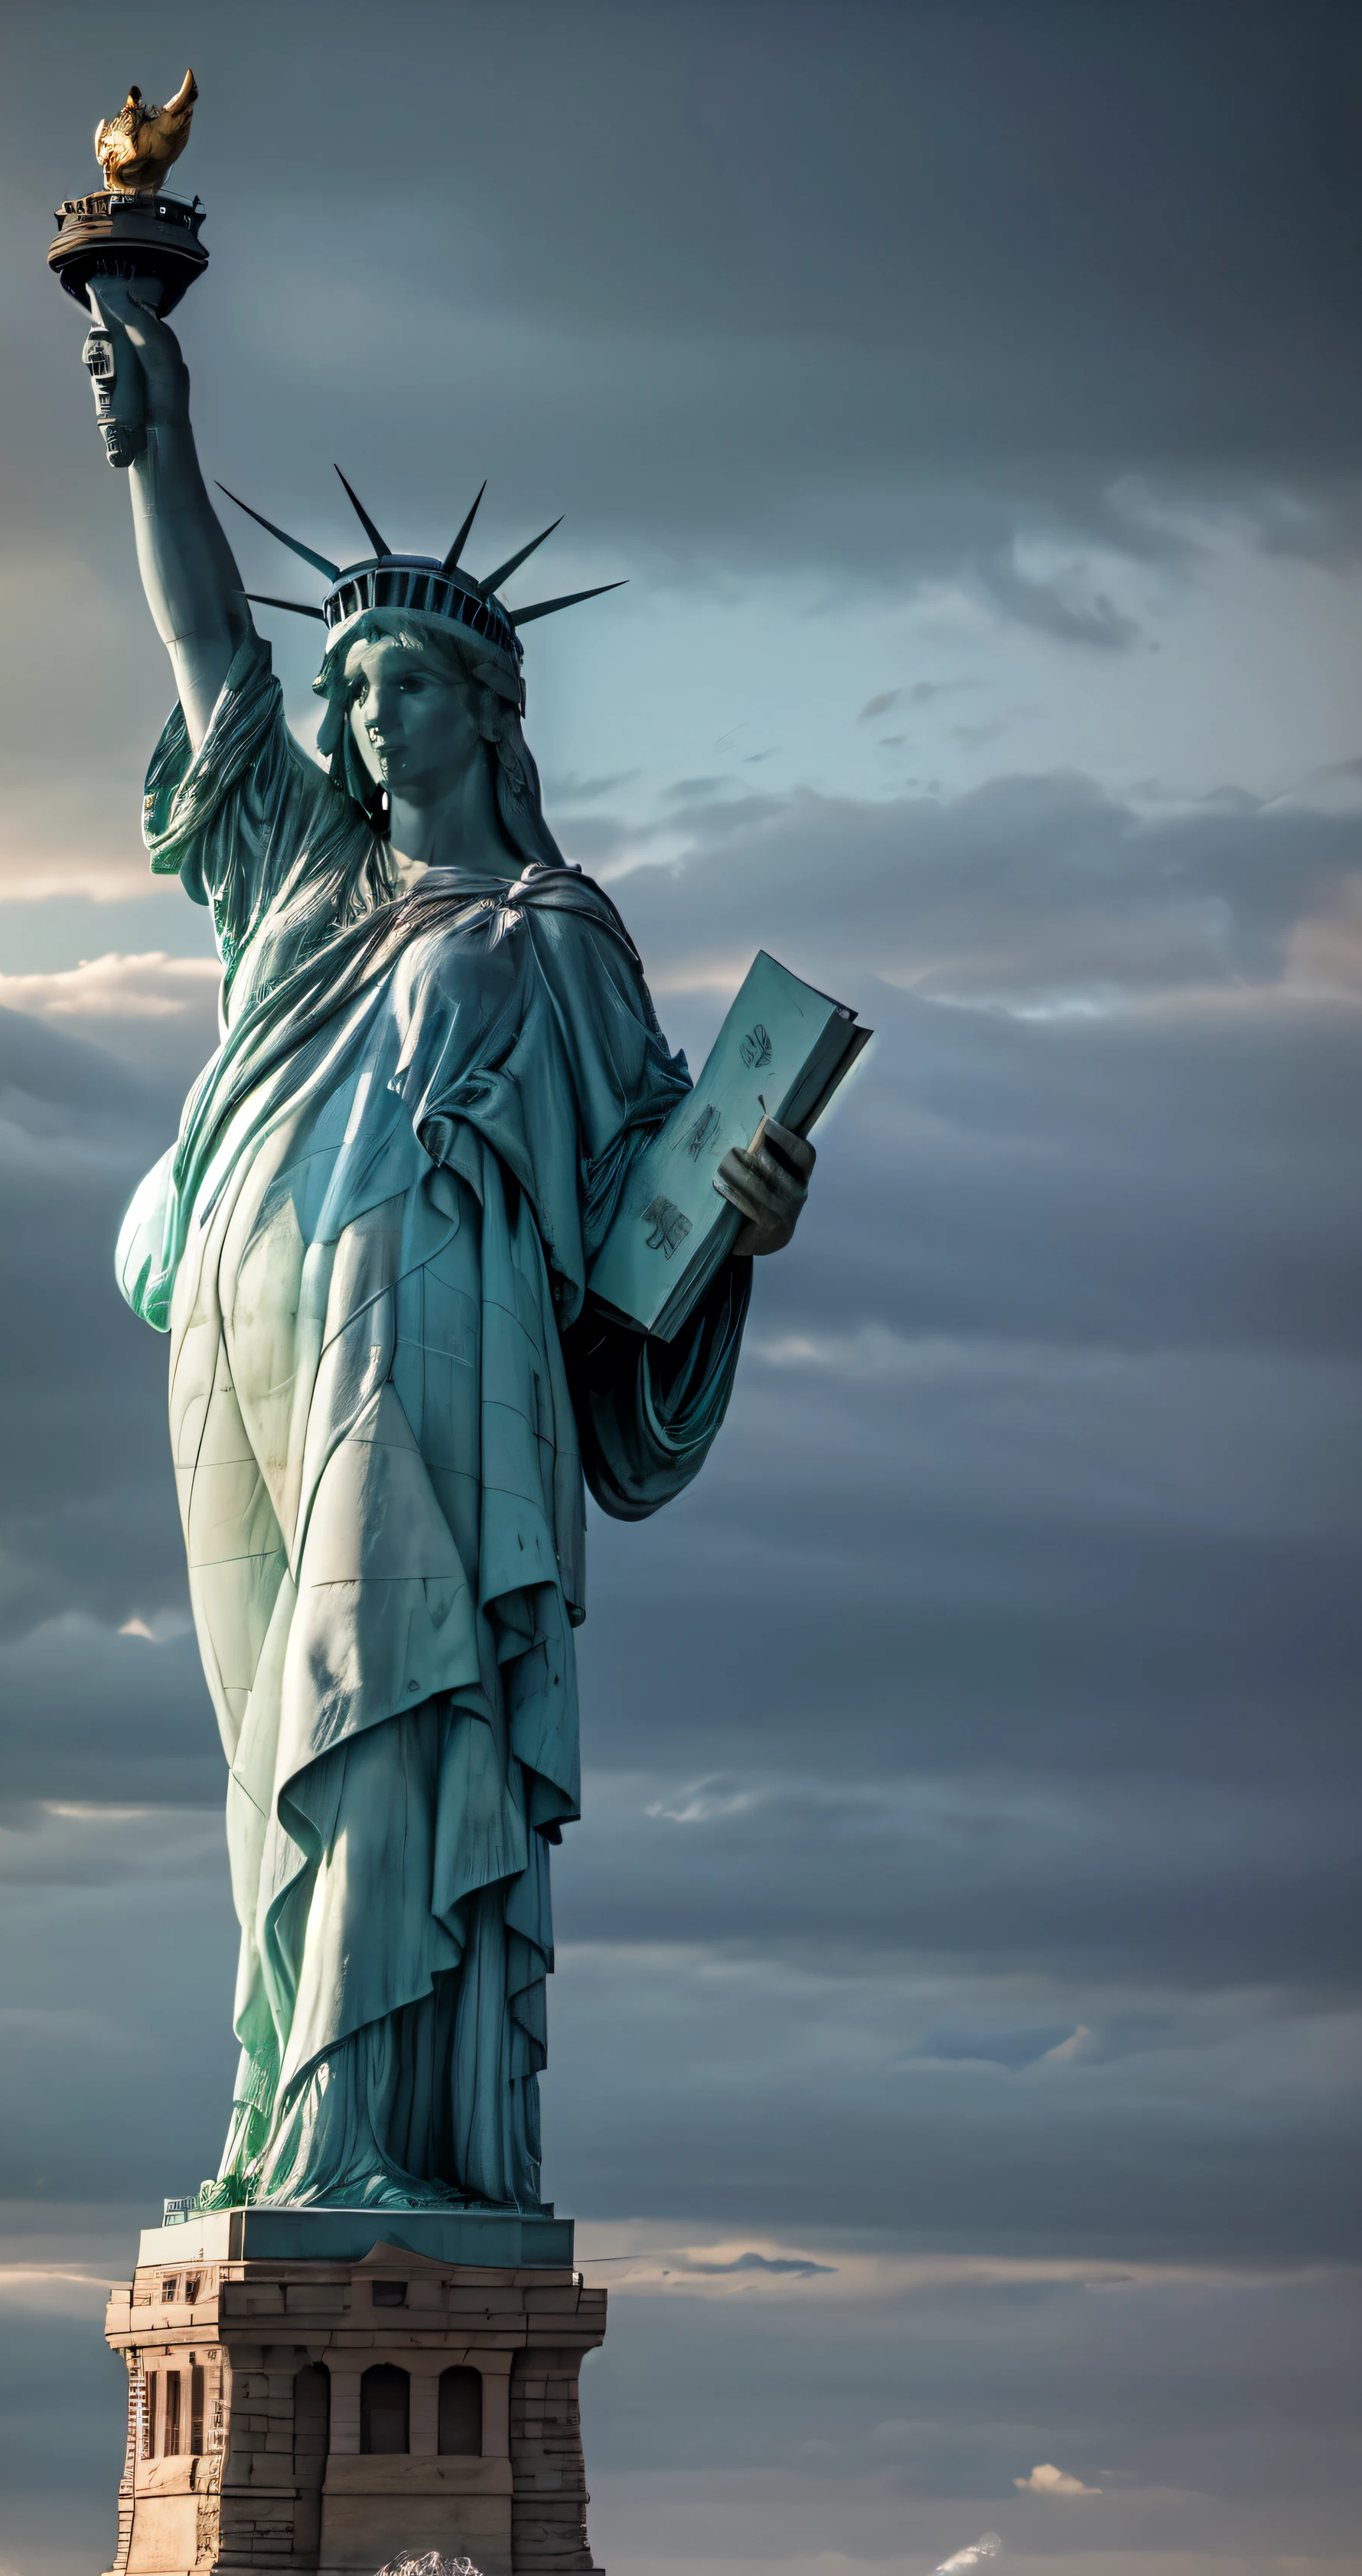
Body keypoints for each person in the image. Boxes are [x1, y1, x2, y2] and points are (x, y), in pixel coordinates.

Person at [93, 293, 817, 2214]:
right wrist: (155, 416)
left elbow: (629, 1254)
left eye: (399, 684)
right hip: (245, 1371)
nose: (360, 716)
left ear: (488, 712)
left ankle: (369, 2146)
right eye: (350, 690)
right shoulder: (302, 885)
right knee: (280, 1768)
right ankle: (286, 2126)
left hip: (430, 1397)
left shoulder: (558, 939)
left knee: (393, 1696)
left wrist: (736, 1230)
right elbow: (203, 649)